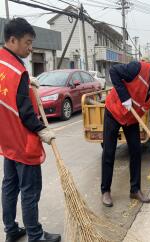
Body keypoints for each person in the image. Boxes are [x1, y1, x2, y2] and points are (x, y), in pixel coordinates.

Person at [0, 18, 61, 242]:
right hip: (23, 141)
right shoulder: (17, 70)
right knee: (29, 191)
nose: (30, 48)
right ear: (13, 40)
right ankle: (35, 236)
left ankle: (11, 230)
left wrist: (27, 84)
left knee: (9, 186)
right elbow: (25, 112)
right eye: (27, 43)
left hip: (6, 140)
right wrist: (42, 130)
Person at [101, 57, 150, 207]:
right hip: (115, 111)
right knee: (109, 152)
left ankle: (135, 190)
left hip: (131, 118)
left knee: (136, 152)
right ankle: (105, 191)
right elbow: (114, 71)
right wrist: (124, 97)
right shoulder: (138, 69)